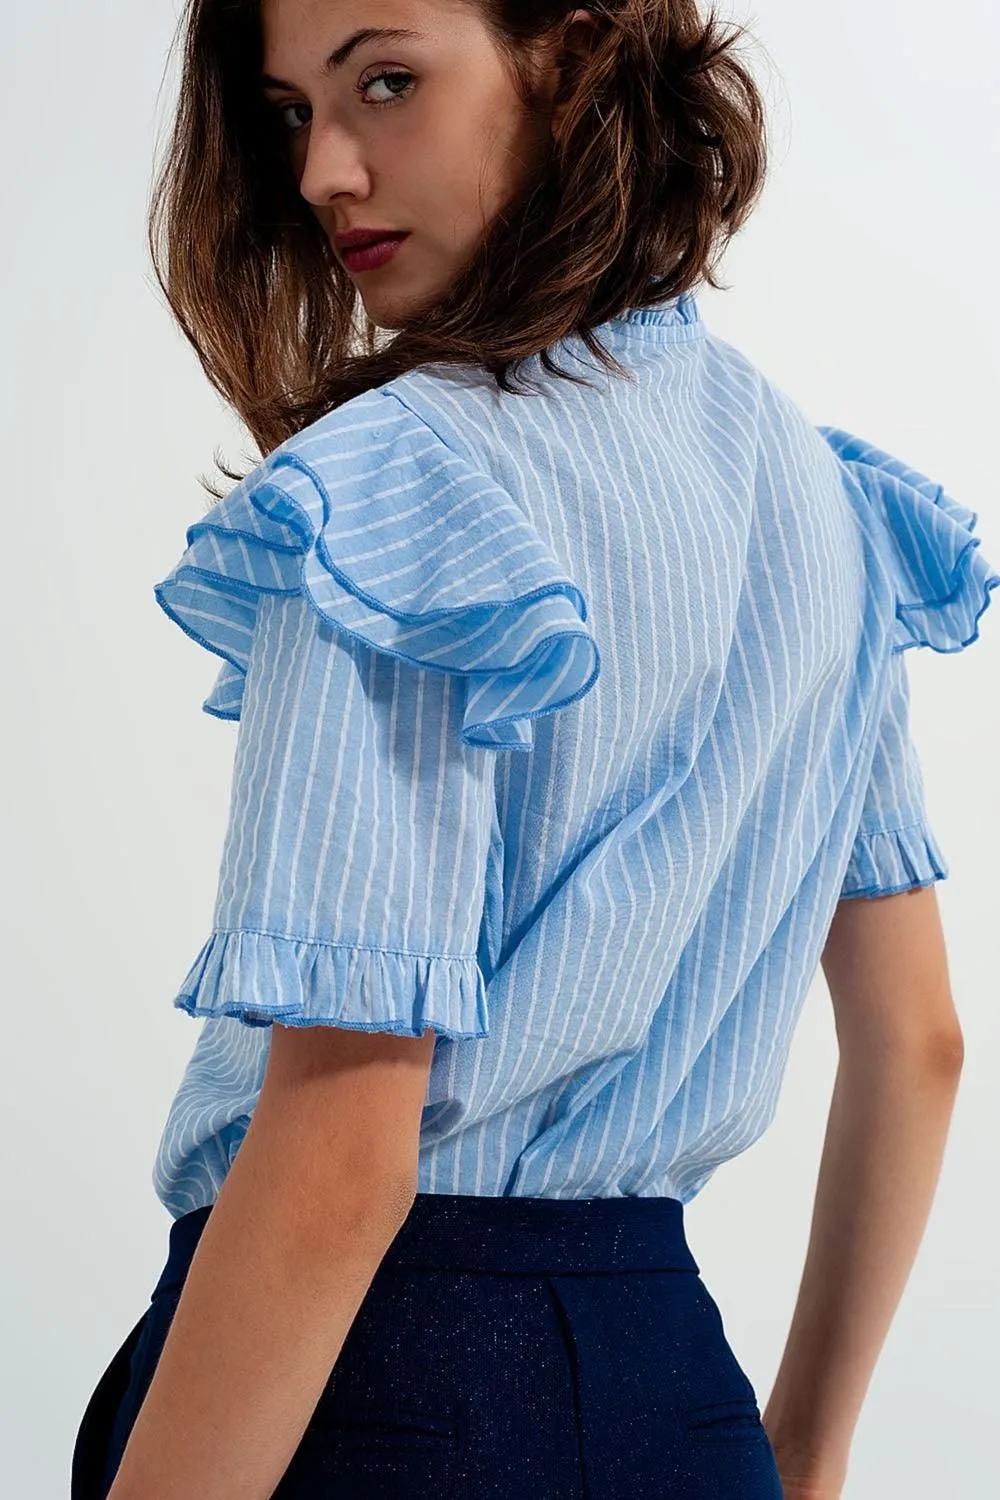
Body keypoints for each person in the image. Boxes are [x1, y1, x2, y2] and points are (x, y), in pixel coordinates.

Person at [71, 1, 997, 1497]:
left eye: (386, 82)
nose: (323, 173)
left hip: (371, 1393)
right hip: (680, 1403)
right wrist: (804, 1456)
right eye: (295, 112)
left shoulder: (396, 499)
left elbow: (340, 1152)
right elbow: (917, 1043)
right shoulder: (828, 512)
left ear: (570, 56)